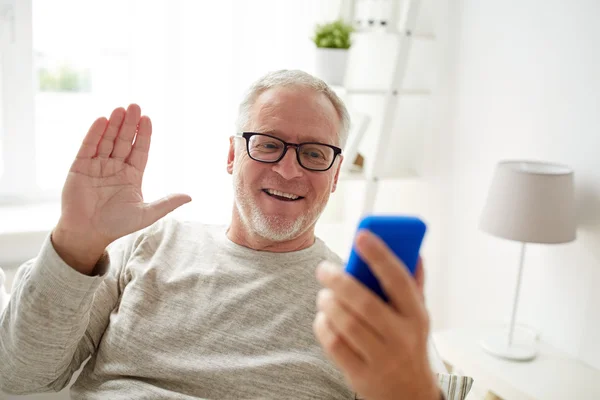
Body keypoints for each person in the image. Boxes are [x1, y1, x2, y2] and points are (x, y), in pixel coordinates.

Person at [0, 70, 472, 399]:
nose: (288, 170)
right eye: (268, 145)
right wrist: (75, 244)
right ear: (232, 156)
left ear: (335, 173)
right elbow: (20, 375)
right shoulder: (148, 245)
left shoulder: (351, 300)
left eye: (313, 153)